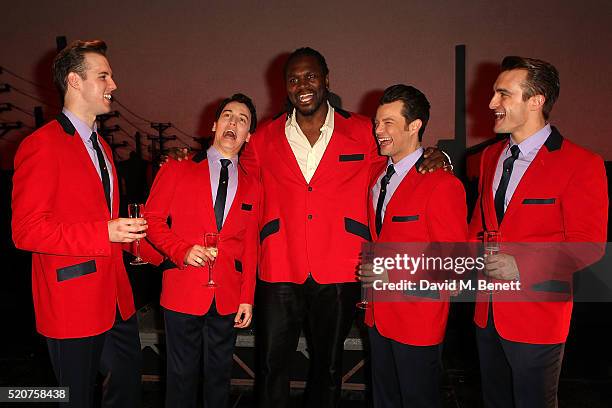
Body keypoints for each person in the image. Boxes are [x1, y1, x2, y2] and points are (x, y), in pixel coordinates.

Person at [241, 47, 449, 408]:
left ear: (326, 79)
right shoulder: (263, 138)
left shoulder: (363, 132)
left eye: (310, 76)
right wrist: (189, 160)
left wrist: (438, 155)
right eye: (293, 79)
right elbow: (232, 176)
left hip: (340, 267)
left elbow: (399, 155)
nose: (301, 85)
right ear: (284, 86)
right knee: (271, 366)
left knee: (329, 368)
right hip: (278, 266)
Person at [11, 40, 149, 407]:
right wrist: (104, 232)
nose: (114, 85)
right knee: (74, 397)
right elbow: (25, 231)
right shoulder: (41, 145)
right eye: (104, 76)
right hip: (72, 301)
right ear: (74, 81)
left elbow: (105, 218)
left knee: (127, 378)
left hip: (116, 298)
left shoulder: (102, 146)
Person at [468, 56, 608, 407]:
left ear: (536, 100)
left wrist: (522, 265)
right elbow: (478, 228)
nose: (491, 103)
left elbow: (589, 245)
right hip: (486, 314)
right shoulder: (489, 158)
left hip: (537, 317)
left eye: (503, 94)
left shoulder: (581, 163)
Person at [144, 93, 259, 408]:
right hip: (182, 288)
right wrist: (180, 250)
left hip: (227, 295)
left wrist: (247, 296)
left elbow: (251, 245)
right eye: (227, 115)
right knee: (180, 378)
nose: (232, 122)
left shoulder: (253, 185)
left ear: (248, 135)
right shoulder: (178, 167)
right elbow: (151, 220)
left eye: (242, 119)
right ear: (214, 124)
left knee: (219, 378)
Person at [358, 84, 468, 407]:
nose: (378, 130)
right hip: (377, 316)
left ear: (415, 125)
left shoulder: (442, 185)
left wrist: (395, 276)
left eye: (388, 122)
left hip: (418, 323)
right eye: (377, 122)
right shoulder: (376, 174)